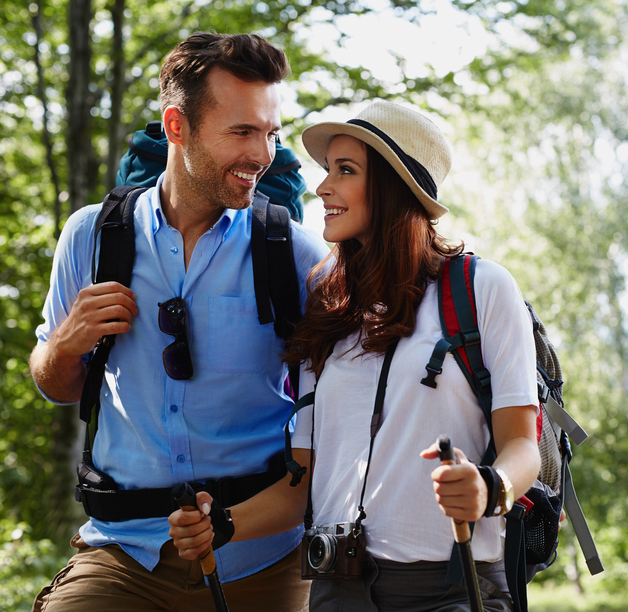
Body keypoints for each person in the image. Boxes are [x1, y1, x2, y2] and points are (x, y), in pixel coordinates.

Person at [169, 100, 541, 611]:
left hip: (452, 590)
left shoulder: (482, 289)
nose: (323, 187)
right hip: (335, 592)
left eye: (346, 171)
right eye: (328, 170)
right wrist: (223, 524)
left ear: (395, 187)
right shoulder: (325, 309)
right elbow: (301, 488)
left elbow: (524, 445)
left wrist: (487, 487)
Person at [29, 32, 329, 612]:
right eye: (241, 131)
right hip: (125, 554)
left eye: (270, 133)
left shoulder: (293, 253)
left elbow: (333, 423)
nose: (262, 154)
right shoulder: (90, 236)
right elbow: (55, 385)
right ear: (176, 127)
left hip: (264, 557)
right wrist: (66, 344)